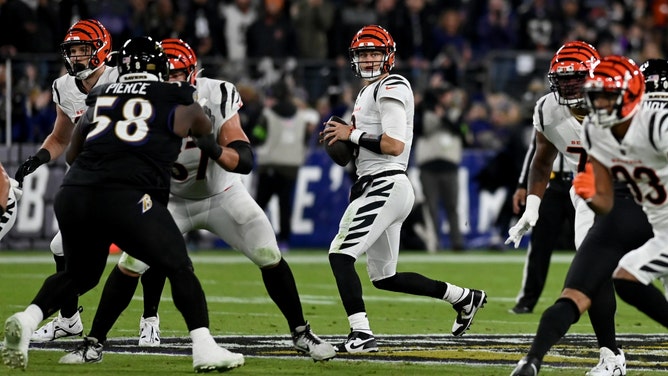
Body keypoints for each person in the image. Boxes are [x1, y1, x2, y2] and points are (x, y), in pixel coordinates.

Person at [57, 37, 336, 363]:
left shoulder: (216, 94)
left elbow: (244, 157)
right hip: (172, 200)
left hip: (223, 193)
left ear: (194, 73)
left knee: (268, 251)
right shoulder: (143, 99)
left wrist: (214, 149)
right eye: (169, 77)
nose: (175, 83)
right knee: (130, 264)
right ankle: (94, 343)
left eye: (181, 76)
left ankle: (301, 333)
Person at [2, 36, 245, 372]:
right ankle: (204, 347)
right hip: (127, 193)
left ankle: (27, 320)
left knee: (81, 274)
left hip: (74, 192)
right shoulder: (177, 94)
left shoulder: (101, 95)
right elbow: (201, 128)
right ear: (156, 66)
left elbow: (72, 151)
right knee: (177, 264)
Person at [321, 24, 487, 354]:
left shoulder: (392, 84)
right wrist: (342, 141)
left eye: (374, 53)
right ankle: (464, 298)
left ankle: (361, 333)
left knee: (340, 255)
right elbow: (358, 149)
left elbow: (394, 145)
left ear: (389, 57)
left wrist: (350, 135)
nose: (368, 59)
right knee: (384, 276)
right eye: (363, 53)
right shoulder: (366, 93)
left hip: (385, 182)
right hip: (379, 183)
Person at [509, 53, 654, 375]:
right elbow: (542, 160)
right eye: (564, 80)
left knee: (637, 277)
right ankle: (610, 355)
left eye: (579, 79)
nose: (571, 87)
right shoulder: (552, 110)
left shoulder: (643, 114)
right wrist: (533, 205)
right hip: (597, 190)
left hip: (650, 196)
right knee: (594, 275)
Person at [12, 19, 116, 342]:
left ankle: (149, 318)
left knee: (141, 250)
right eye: (72, 51)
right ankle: (69, 320)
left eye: (83, 50)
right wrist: (38, 158)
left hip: (120, 178)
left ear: (100, 49)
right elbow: (60, 137)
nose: (76, 57)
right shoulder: (64, 87)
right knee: (61, 247)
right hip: (87, 179)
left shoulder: (120, 80)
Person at [575, 56, 668, 330]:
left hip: (647, 211)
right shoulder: (619, 125)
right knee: (628, 275)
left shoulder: (651, 124)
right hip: (651, 214)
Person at [509, 134, 575, 314]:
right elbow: (534, 148)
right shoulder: (547, 110)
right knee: (539, 244)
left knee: (591, 243)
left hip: (580, 182)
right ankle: (527, 300)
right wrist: (523, 184)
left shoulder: (587, 111)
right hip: (550, 183)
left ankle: (599, 297)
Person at [253, 79, 315, 251]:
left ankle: (253, 238)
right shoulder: (301, 115)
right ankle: (284, 241)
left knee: (259, 205)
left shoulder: (268, 113)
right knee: (285, 205)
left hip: (270, 164)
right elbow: (306, 140)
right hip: (291, 166)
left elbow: (257, 136)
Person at [414, 83, 467, 251]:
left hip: (449, 166)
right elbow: (421, 129)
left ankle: (456, 243)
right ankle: (434, 243)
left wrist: (444, 116)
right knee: (432, 207)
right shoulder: (425, 112)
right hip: (429, 166)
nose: (447, 98)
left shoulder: (457, 114)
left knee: (452, 206)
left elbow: (464, 133)